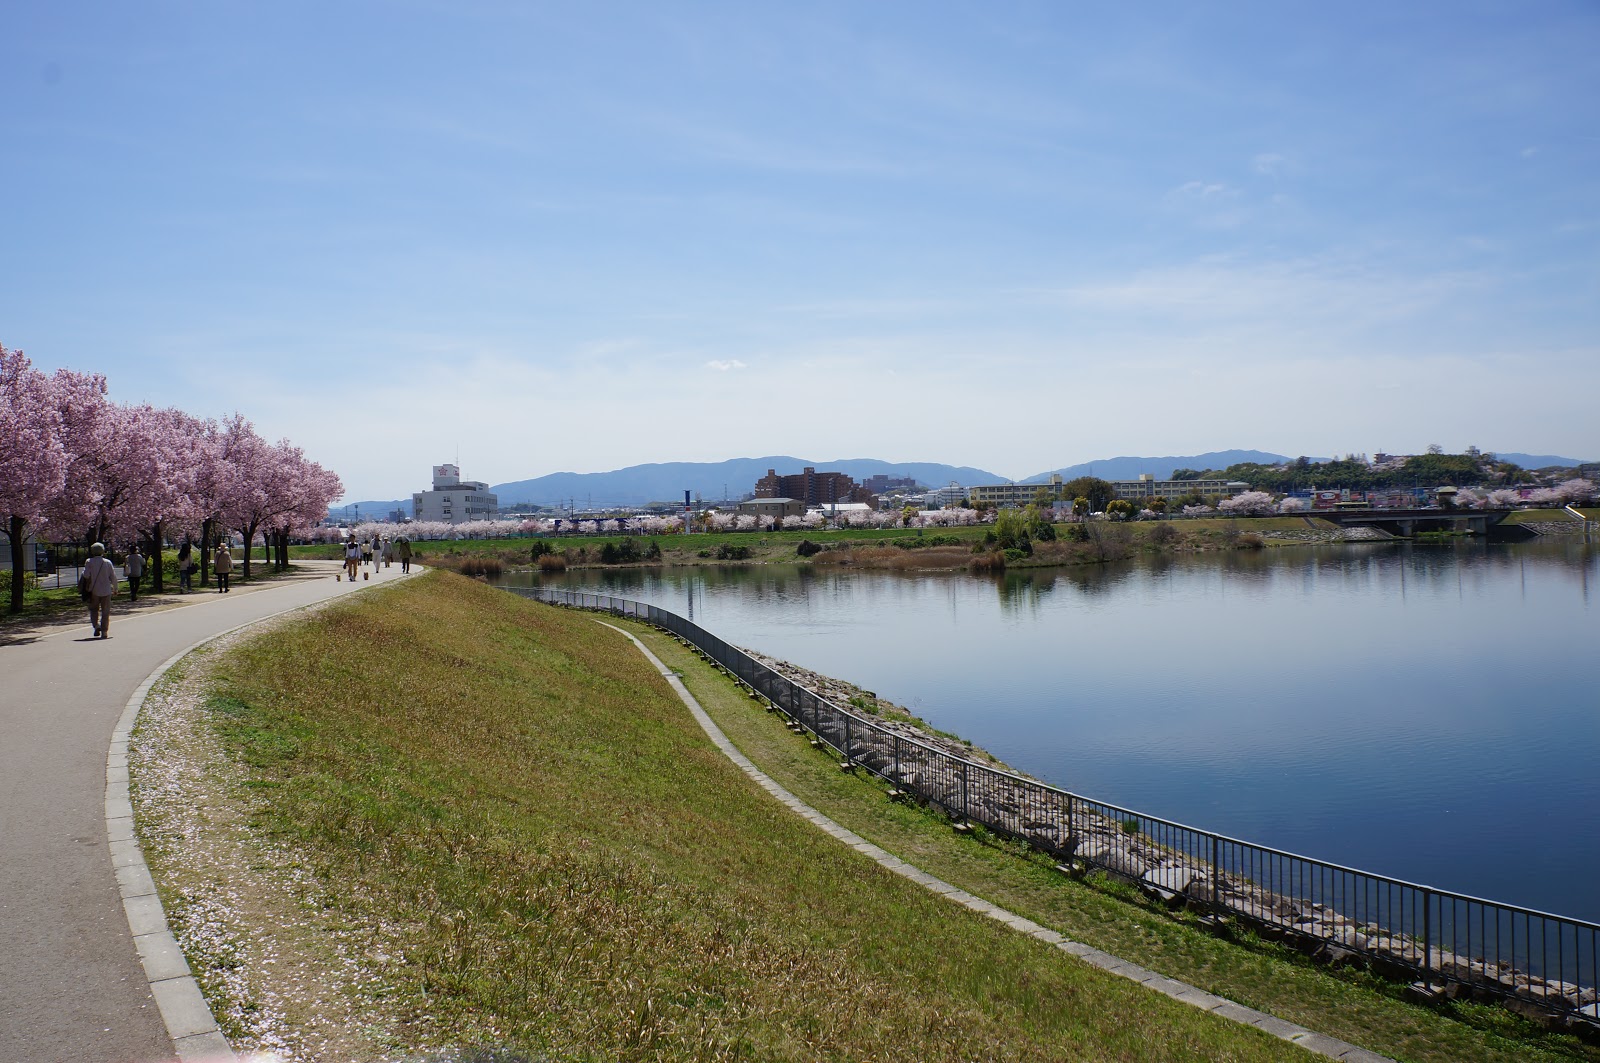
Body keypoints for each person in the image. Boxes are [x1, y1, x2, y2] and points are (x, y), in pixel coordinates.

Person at [80, 542, 118, 639]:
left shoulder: (89, 562)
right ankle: (104, 631)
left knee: (94, 610)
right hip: (106, 590)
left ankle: (96, 626)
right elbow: (113, 576)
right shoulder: (107, 562)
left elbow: (86, 575)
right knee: (106, 611)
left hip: (93, 590)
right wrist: (115, 588)